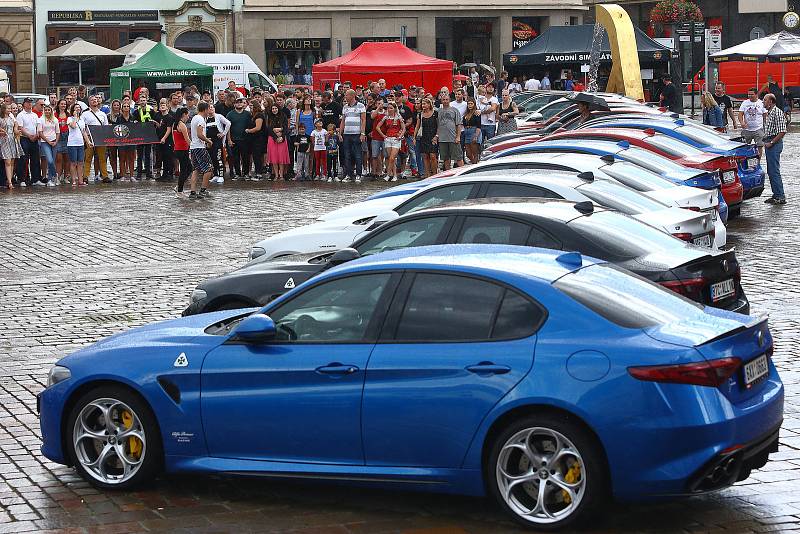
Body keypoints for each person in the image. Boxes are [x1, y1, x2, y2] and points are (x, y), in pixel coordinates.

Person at [762, 93, 787, 205]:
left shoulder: (777, 112)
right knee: (771, 171)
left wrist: (771, 142)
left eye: (765, 100)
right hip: (769, 142)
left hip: (774, 144)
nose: (763, 102)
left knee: (774, 170)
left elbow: (782, 131)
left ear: (770, 102)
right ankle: (776, 194)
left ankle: (780, 196)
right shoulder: (770, 112)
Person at [338, 89, 366, 183]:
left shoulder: (361, 106)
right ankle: (349, 175)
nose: (345, 97)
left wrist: (362, 133)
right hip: (347, 134)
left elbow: (363, 120)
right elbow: (343, 121)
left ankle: (358, 174)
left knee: (358, 155)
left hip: (357, 134)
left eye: (346, 95)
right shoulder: (345, 107)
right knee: (347, 155)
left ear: (352, 96)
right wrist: (340, 133)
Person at [187, 102, 214, 198]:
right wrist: (208, 141)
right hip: (199, 147)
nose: (209, 111)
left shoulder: (194, 118)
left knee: (196, 169)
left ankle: (193, 192)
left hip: (193, 147)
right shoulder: (201, 119)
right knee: (209, 168)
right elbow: (199, 134)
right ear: (205, 110)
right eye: (209, 109)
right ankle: (203, 190)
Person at [81, 96, 110, 182]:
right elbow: (83, 128)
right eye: (92, 100)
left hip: (100, 138)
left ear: (98, 102)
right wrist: (86, 139)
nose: (94, 101)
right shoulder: (84, 114)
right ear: (89, 102)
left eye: (95, 100)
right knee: (88, 157)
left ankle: (105, 176)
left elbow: (106, 127)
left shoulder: (102, 114)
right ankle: (85, 176)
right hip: (89, 138)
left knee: (102, 158)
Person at [377, 102, 406, 182]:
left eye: (391, 108)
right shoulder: (386, 117)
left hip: (396, 139)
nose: (389, 110)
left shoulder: (399, 117)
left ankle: (388, 174)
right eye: (388, 108)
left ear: (394, 109)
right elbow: (378, 127)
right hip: (388, 139)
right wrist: (383, 136)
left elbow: (404, 128)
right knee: (391, 159)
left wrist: (400, 136)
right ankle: (395, 175)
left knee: (392, 158)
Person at [434, 92, 463, 171]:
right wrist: (437, 136)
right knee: (446, 158)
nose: (445, 101)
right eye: (443, 100)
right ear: (441, 101)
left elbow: (458, 124)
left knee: (458, 158)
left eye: (447, 99)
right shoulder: (439, 111)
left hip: (453, 138)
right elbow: (438, 125)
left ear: (449, 100)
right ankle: (448, 174)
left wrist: (458, 136)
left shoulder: (454, 110)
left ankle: (462, 174)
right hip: (442, 138)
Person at [16, 97, 41, 186]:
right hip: (25, 139)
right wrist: (29, 135)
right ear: (24, 104)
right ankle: (22, 179)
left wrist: (37, 134)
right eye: (28, 102)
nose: (30, 104)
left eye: (30, 102)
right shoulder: (21, 115)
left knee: (35, 159)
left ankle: (36, 179)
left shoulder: (34, 115)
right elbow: (20, 128)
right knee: (24, 159)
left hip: (34, 138)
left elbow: (38, 125)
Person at [226, 97, 252, 179]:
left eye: (241, 102)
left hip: (245, 139)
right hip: (234, 140)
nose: (239, 104)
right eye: (237, 103)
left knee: (245, 157)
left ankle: (246, 173)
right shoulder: (230, 114)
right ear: (234, 104)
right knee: (235, 158)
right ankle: (237, 173)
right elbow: (228, 128)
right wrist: (229, 139)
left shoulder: (247, 114)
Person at [738, 88, 767, 158]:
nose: (750, 96)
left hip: (758, 129)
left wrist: (765, 125)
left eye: (752, 94)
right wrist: (741, 123)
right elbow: (740, 114)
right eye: (748, 94)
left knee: (760, 146)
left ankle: (758, 161)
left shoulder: (761, 103)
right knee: (744, 146)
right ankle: (745, 160)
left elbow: (765, 115)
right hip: (747, 129)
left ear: (756, 95)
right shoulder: (745, 103)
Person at [66, 103, 90, 187]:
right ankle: (73, 180)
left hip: (80, 143)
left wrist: (88, 142)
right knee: (73, 163)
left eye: (79, 108)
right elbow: (73, 126)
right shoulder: (69, 119)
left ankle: (80, 180)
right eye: (76, 108)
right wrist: (75, 117)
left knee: (80, 162)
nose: (78, 109)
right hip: (72, 143)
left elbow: (83, 132)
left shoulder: (82, 120)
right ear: (73, 110)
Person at [37, 104, 60, 187]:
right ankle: (55, 175)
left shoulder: (55, 120)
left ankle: (50, 179)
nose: (47, 111)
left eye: (48, 110)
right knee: (49, 160)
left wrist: (56, 141)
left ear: (51, 111)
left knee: (52, 161)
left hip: (54, 141)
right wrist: (48, 141)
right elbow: (40, 132)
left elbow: (58, 132)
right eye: (45, 110)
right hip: (45, 142)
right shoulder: (41, 120)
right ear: (44, 111)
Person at [267, 104, 290, 181]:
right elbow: (269, 129)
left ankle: (281, 175)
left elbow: (286, 128)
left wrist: (282, 136)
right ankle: (276, 175)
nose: (274, 110)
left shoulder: (283, 116)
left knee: (281, 157)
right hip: (272, 139)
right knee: (274, 158)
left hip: (282, 139)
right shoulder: (269, 117)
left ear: (278, 109)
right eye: (273, 108)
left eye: (275, 108)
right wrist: (276, 137)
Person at [207, 104, 230, 183]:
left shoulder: (219, 116)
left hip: (218, 141)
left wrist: (223, 133)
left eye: (212, 107)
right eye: (209, 108)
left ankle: (221, 176)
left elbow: (228, 123)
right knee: (212, 158)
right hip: (209, 142)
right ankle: (216, 175)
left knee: (218, 158)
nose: (211, 109)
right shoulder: (205, 118)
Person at [115, 101, 137, 182]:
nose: (126, 107)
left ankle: (131, 176)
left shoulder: (133, 117)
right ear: (122, 108)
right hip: (122, 141)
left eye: (128, 106)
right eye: (124, 106)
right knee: (122, 159)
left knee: (131, 158)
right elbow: (116, 129)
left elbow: (136, 129)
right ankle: (122, 175)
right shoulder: (119, 118)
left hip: (131, 141)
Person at [172, 108, 192, 197]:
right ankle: (179, 191)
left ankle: (179, 186)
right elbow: (187, 139)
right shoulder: (182, 125)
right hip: (182, 150)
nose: (188, 116)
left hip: (178, 149)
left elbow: (173, 138)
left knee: (189, 168)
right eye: (188, 114)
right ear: (184, 114)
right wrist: (194, 147)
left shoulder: (175, 124)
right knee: (184, 170)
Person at [153, 99, 174, 181]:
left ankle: (169, 174)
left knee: (168, 157)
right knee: (162, 157)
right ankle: (164, 174)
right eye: (161, 105)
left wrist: (164, 138)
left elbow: (169, 129)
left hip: (167, 140)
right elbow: (161, 127)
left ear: (167, 106)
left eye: (163, 105)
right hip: (159, 139)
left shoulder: (169, 117)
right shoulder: (159, 116)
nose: (162, 106)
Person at [416, 98, 438, 177]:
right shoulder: (420, 114)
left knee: (432, 156)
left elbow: (439, 125)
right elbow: (417, 126)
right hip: (423, 136)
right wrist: (414, 138)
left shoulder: (435, 113)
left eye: (425, 103)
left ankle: (435, 174)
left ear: (429, 104)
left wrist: (436, 136)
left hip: (433, 136)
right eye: (422, 104)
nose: (423, 105)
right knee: (425, 156)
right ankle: (427, 174)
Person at [0, 103, 20, 188]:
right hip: (4, 140)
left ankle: (9, 180)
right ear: (3, 109)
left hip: (12, 140)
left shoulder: (11, 118)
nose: (9, 110)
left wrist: (16, 129)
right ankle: (9, 182)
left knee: (12, 162)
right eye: (8, 108)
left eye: (10, 109)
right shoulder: (1, 119)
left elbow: (16, 124)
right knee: (7, 161)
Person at [246, 101, 265, 178]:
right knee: (255, 156)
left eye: (251, 105)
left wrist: (249, 130)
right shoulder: (253, 115)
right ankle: (257, 172)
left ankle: (259, 173)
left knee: (257, 156)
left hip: (259, 139)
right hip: (253, 139)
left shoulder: (259, 115)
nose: (250, 107)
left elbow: (258, 127)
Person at [105, 100, 122, 180]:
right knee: (112, 157)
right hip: (111, 139)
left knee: (122, 156)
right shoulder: (108, 116)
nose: (116, 106)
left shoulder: (122, 115)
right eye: (114, 105)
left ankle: (122, 173)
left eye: (117, 105)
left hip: (121, 139)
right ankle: (115, 173)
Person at [462, 97, 482, 164]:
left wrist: (476, 136)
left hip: (473, 131)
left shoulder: (476, 113)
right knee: (468, 154)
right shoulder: (466, 113)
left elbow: (479, 126)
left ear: (474, 104)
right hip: (466, 131)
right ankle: (474, 163)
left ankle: (475, 165)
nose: (470, 105)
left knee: (475, 153)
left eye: (471, 104)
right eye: (468, 104)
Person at [54, 99, 69, 183]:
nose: (63, 105)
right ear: (58, 105)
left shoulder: (68, 114)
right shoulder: (55, 114)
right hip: (58, 137)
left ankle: (66, 176)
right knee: (59, 158)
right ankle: (58, 176)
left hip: (67, 137)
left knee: (67, 158)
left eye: (64, 104)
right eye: (61, 104)